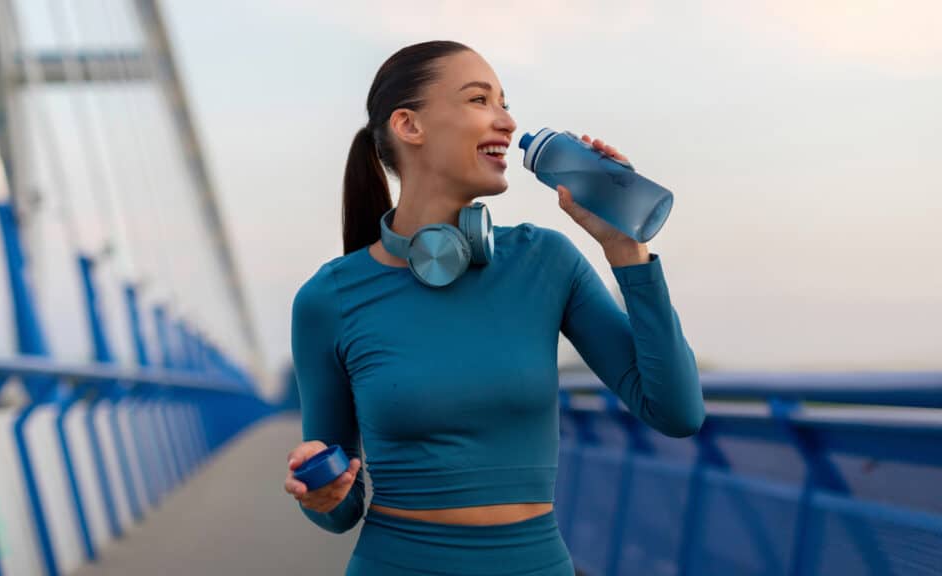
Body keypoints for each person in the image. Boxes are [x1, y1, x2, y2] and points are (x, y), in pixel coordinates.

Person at [283, 40, 705, 575]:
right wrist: (319, 494)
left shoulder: (546, 261)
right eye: (480, 100)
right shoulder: (329, 299)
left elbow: (678, 412)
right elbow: (340, 510)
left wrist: (627, 251)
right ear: (409, 126)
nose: (507, 121)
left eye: (505, 102)